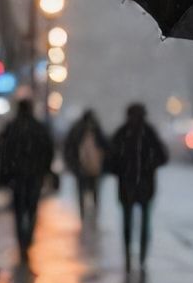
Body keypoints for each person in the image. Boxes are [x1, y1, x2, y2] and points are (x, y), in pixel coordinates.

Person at [106, 103, 169, 268]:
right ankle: (141, 257)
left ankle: (128, 255)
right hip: (145, 186)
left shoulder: (122, 133)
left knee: (128, 222)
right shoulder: (148, 133)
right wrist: (149, 167)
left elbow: (109, 160)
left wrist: (122, 170)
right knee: (144, 223)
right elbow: (163, 156)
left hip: (127, 186)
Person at [0, 98, 55, 261]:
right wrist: (45, 169)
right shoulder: (38, 128)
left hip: (17, 176)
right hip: (34, 175)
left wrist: (6, 172)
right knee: (32, 208)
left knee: (19, 209)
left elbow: (2, 150)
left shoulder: (12, 128)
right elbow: (48, 149)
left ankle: (23, 241)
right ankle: (27, 238)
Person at [62, 109, 109, 222]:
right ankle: (94, 214)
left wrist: (73, 164)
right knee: (94, 192)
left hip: (80, 168)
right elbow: (106, 147)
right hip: (94, 168)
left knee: (81, 192)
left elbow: (69, 147)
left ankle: (82, 214)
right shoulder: (96, 129)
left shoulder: (77, 129)